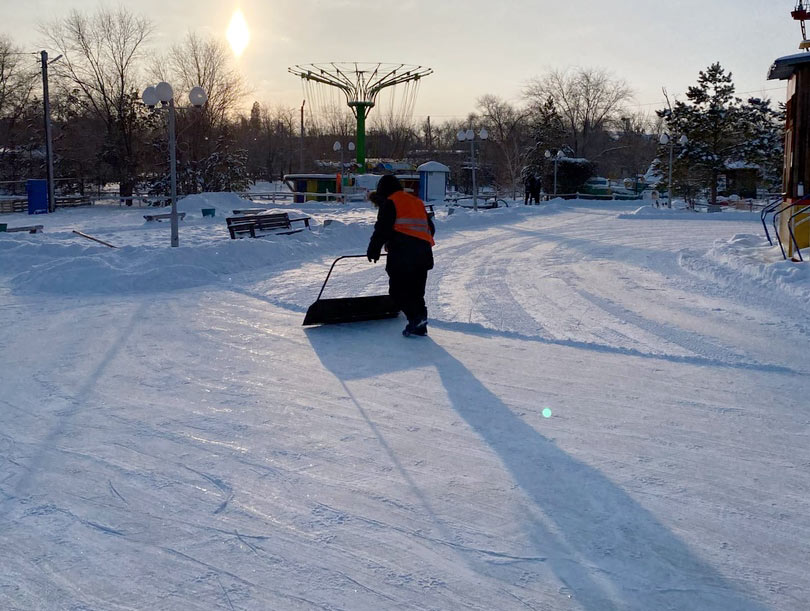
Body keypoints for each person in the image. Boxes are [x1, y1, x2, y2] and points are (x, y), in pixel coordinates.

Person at [366, 174, 435, 337]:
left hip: (402, 255)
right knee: (417, 293)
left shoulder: (391, 202)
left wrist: (373, 249)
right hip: (424, 255)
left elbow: (382, 228)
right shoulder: (416, 202)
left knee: (398, 292)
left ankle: (416, 318)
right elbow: (430, 229)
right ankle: (419, 324)